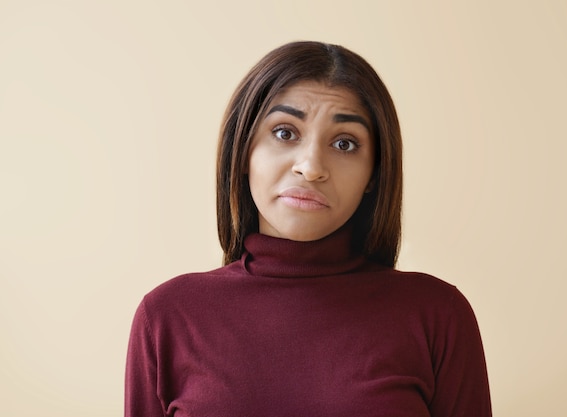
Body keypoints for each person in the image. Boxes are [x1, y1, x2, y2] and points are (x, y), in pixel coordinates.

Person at [125, 41, 492, 417]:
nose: (311, 166)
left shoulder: (436, 315)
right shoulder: (167, 316)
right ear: (244, 153)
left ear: (373, 175)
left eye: (345, 143)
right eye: (285, 133)